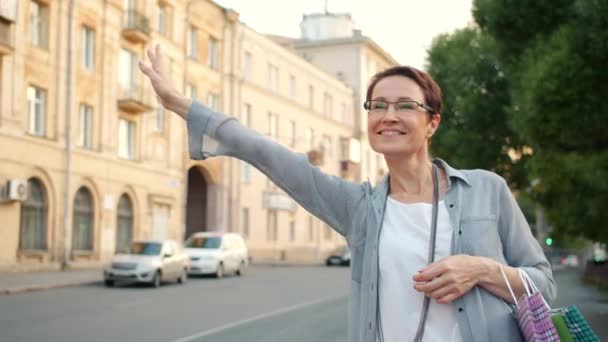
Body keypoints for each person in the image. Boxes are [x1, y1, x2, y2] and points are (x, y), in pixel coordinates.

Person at [139, 45, 556, 342]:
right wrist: (183, 105)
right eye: (378, 105)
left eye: (405, 106)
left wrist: (480, 270)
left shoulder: (487, 189)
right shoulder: (358, 208)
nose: (388, 116)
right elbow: (270, 154)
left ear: (432, 123)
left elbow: (544, 284)